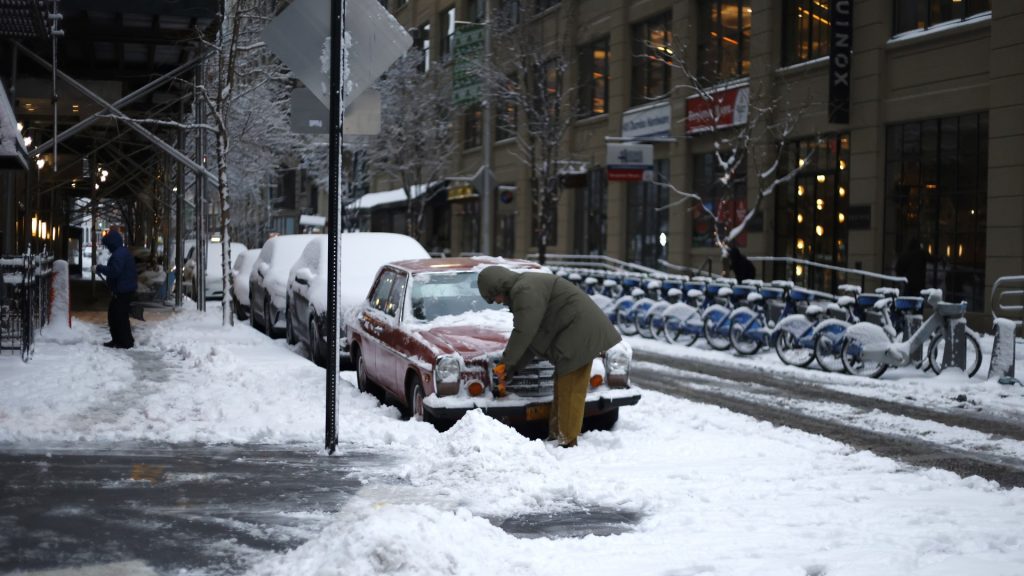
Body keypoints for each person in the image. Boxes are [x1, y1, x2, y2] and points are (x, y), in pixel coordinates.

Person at [477, 265, 622, 448]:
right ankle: (556, 437)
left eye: (494, 297)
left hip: (580, 334)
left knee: (570, 391)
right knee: (562, 388)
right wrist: (511, 369)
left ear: (499, 287)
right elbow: (532, 340)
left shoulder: (524, 290)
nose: (497, 302)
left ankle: (567, 443)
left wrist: (506, 362)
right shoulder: (524, 288)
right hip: (574, 334)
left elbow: (524, 332)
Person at [94, 229, 138, 349]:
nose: (107, 248)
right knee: (117, 315)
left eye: (108, 245)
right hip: (124, 289)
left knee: (117, 316)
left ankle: (124, 342)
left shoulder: (119, 254)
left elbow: (114, 271)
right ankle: (121, 340)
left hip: (123, 291)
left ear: (112, 243)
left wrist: (100, 268)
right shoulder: (121, 252)